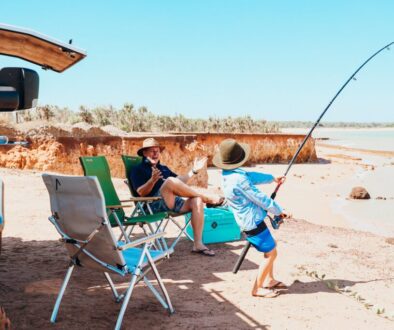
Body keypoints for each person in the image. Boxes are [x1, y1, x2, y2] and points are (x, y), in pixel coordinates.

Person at [213, 138, 289, 297]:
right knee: (271, 253)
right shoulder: (239, 180)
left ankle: (269, 279)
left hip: (250, 221)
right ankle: (257, 288)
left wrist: (272, 178)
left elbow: (252, 176)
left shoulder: (229, 174)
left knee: (270, 247)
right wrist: (278, 210)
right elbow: (260, 198)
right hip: (252, 223)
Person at [130, 138, 223, 257]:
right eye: (152, 151)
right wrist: (152, 181)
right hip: (152, 205)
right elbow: (141, 192)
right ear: (144, 153)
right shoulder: (138, 170)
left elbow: (179, 182)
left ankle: (198, 244)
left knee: (197, 201)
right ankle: (207, 198)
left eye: (157, 151)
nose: (155, 154)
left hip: (171, 201)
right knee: (169, 181)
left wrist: (194, 171)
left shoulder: (163, 168)